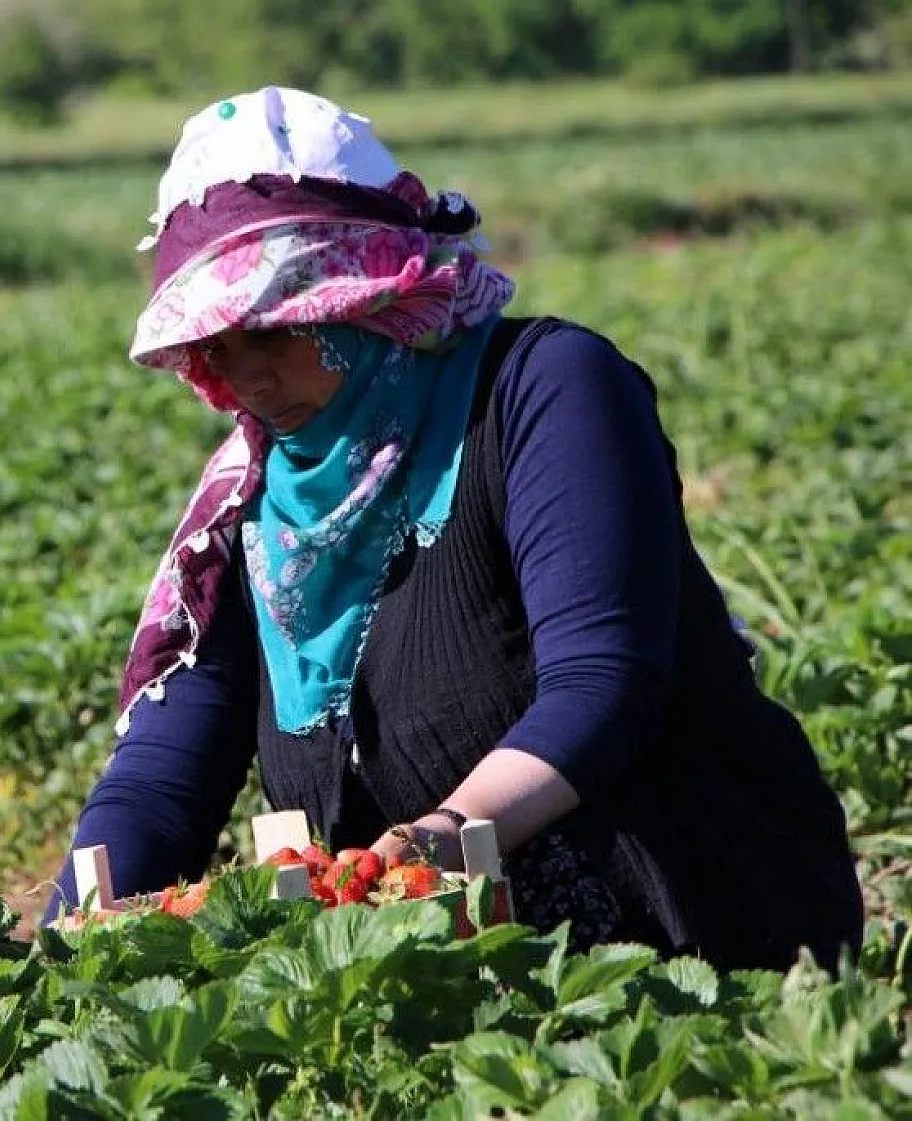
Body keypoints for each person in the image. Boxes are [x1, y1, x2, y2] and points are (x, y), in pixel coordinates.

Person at [47, 87, 864, 972]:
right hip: (432, 959)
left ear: (366, 300)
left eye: (277, 330)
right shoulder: (253, 506)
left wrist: (440, 838)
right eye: (218, 346)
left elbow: (602, 683)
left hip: (682, 928)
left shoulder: (543, 389)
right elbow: (166, 779)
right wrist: (65, 940)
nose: (245, 374)